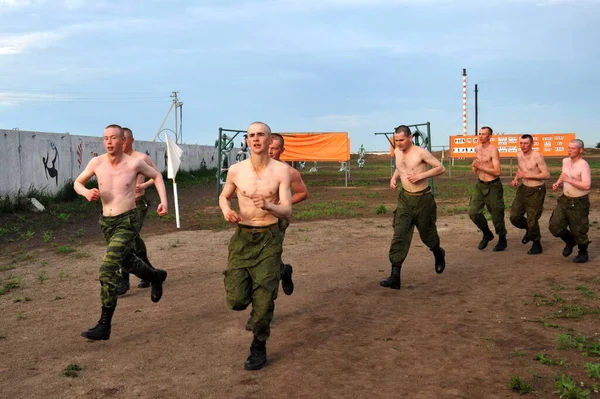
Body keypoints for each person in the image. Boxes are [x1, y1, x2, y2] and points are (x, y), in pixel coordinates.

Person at [74, 124, 169, 341]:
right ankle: (155, 276)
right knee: (126, 261)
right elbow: (77, 183)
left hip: (127, 220)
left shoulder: (134, 163)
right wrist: (87, 192)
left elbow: (157, 176)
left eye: (113, 138)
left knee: (108, 268)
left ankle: (104, 324)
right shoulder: (96, 163)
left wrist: (163, 202)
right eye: (105, 138)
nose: (109, 142)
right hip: (107, 222)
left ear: (122, 141)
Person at [219, 121, 292, 370]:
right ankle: (249, 286)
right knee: (236, 301)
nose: (256, 139)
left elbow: (287, 210)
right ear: (247, 141)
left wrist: (269, 205)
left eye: (261, 134)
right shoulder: (236, 170)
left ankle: (258, 346)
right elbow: (224, 195)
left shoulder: (282, 171)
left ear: (270, 140)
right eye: (251, 135)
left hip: (269, 237)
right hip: (242, 238)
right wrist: (226, 209)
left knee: (263, 300)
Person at [243, 133, 308, 331]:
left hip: (277, 222)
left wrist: (279, 204)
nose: (270, 151)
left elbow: (303, 193)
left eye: (274, 148)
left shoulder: (289, 172)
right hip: (252, 225)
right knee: (257, 261)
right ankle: (283, 271)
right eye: (268, 147)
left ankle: (260, 313)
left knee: (265, 268)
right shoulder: (249, 169)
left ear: (281, 150)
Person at [380, 125, 446, 290]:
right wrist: (393, 179)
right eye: (396, 140)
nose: (399, 143)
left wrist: (421, 175)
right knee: (399, 234)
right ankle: (395, 276)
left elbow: (441, 168)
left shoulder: (420, 152)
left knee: (427, 235)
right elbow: (400, 168)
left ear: (410, 137)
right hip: (405, 200)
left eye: (402, 140)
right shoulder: (397, 152)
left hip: (423, 200)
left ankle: (438, 252)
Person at [116, 127, 161, 294]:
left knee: (126, 240)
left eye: (124, 139)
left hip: (138, 204)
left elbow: (157, 175)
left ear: (131, 140)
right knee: (134, 240)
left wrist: (144, 184)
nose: (121, 143)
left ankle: (124, 280)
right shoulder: (116, 159)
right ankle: (150, 272)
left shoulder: (141, 158)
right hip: (121, 204)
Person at [548, 139, 591, 263]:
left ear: (580, 150)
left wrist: (569, 180)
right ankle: (570, 241)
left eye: (573, 148)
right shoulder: (565, 161)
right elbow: (564, 174)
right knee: (554, 226)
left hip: (579, 202)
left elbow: (587, 186)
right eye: (568, 148)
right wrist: (558, 183)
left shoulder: (584, 165)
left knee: (579, 230)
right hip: (564, 200)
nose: (569, 151)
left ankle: (583, 252)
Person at [509, 134, 550, 255]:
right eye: (521, 143)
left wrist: (527, 176)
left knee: (532, 219)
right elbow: (520, 169)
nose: (523, 146)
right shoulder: (519, 155)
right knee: (514, 217)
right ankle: (528, 229)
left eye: (526, 143)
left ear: (531, 144)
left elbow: (546, 174)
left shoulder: (537, 156)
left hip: (536, 190)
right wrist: (516, 178)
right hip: (523, 189)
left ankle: (536, 243)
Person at [468, 126, 508, 252]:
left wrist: (480, 166)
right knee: (473, 212)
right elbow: (475, 168)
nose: (480, 136)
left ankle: (502, 238)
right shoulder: (477, 148)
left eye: (483, 134)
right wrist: (474, 166)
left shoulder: (493, 150)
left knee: (496, 215)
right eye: (479, 134)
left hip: (493, 185)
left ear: (490, 136)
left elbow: (497, 171)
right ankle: (487, 233)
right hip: (480, 184)